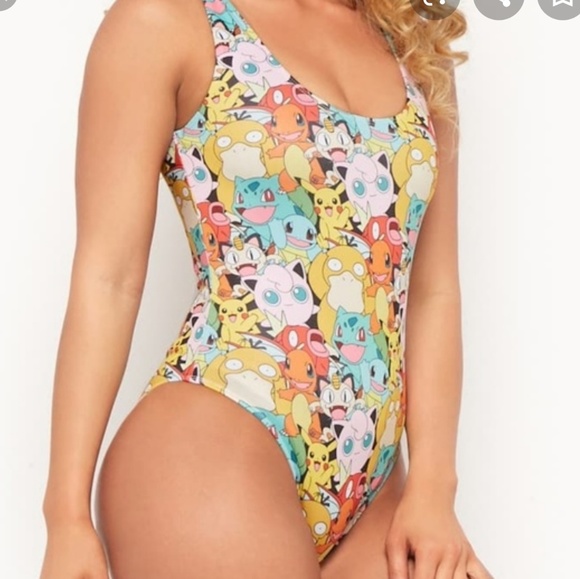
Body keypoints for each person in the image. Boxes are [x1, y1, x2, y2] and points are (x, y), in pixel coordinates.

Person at [40, 0, 493, 578]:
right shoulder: (168, 20)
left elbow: (433, 292)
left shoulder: (414, 43)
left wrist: (434, 487)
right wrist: (65, 516)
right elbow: (110, 277)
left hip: (378, 485)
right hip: (213, 443)